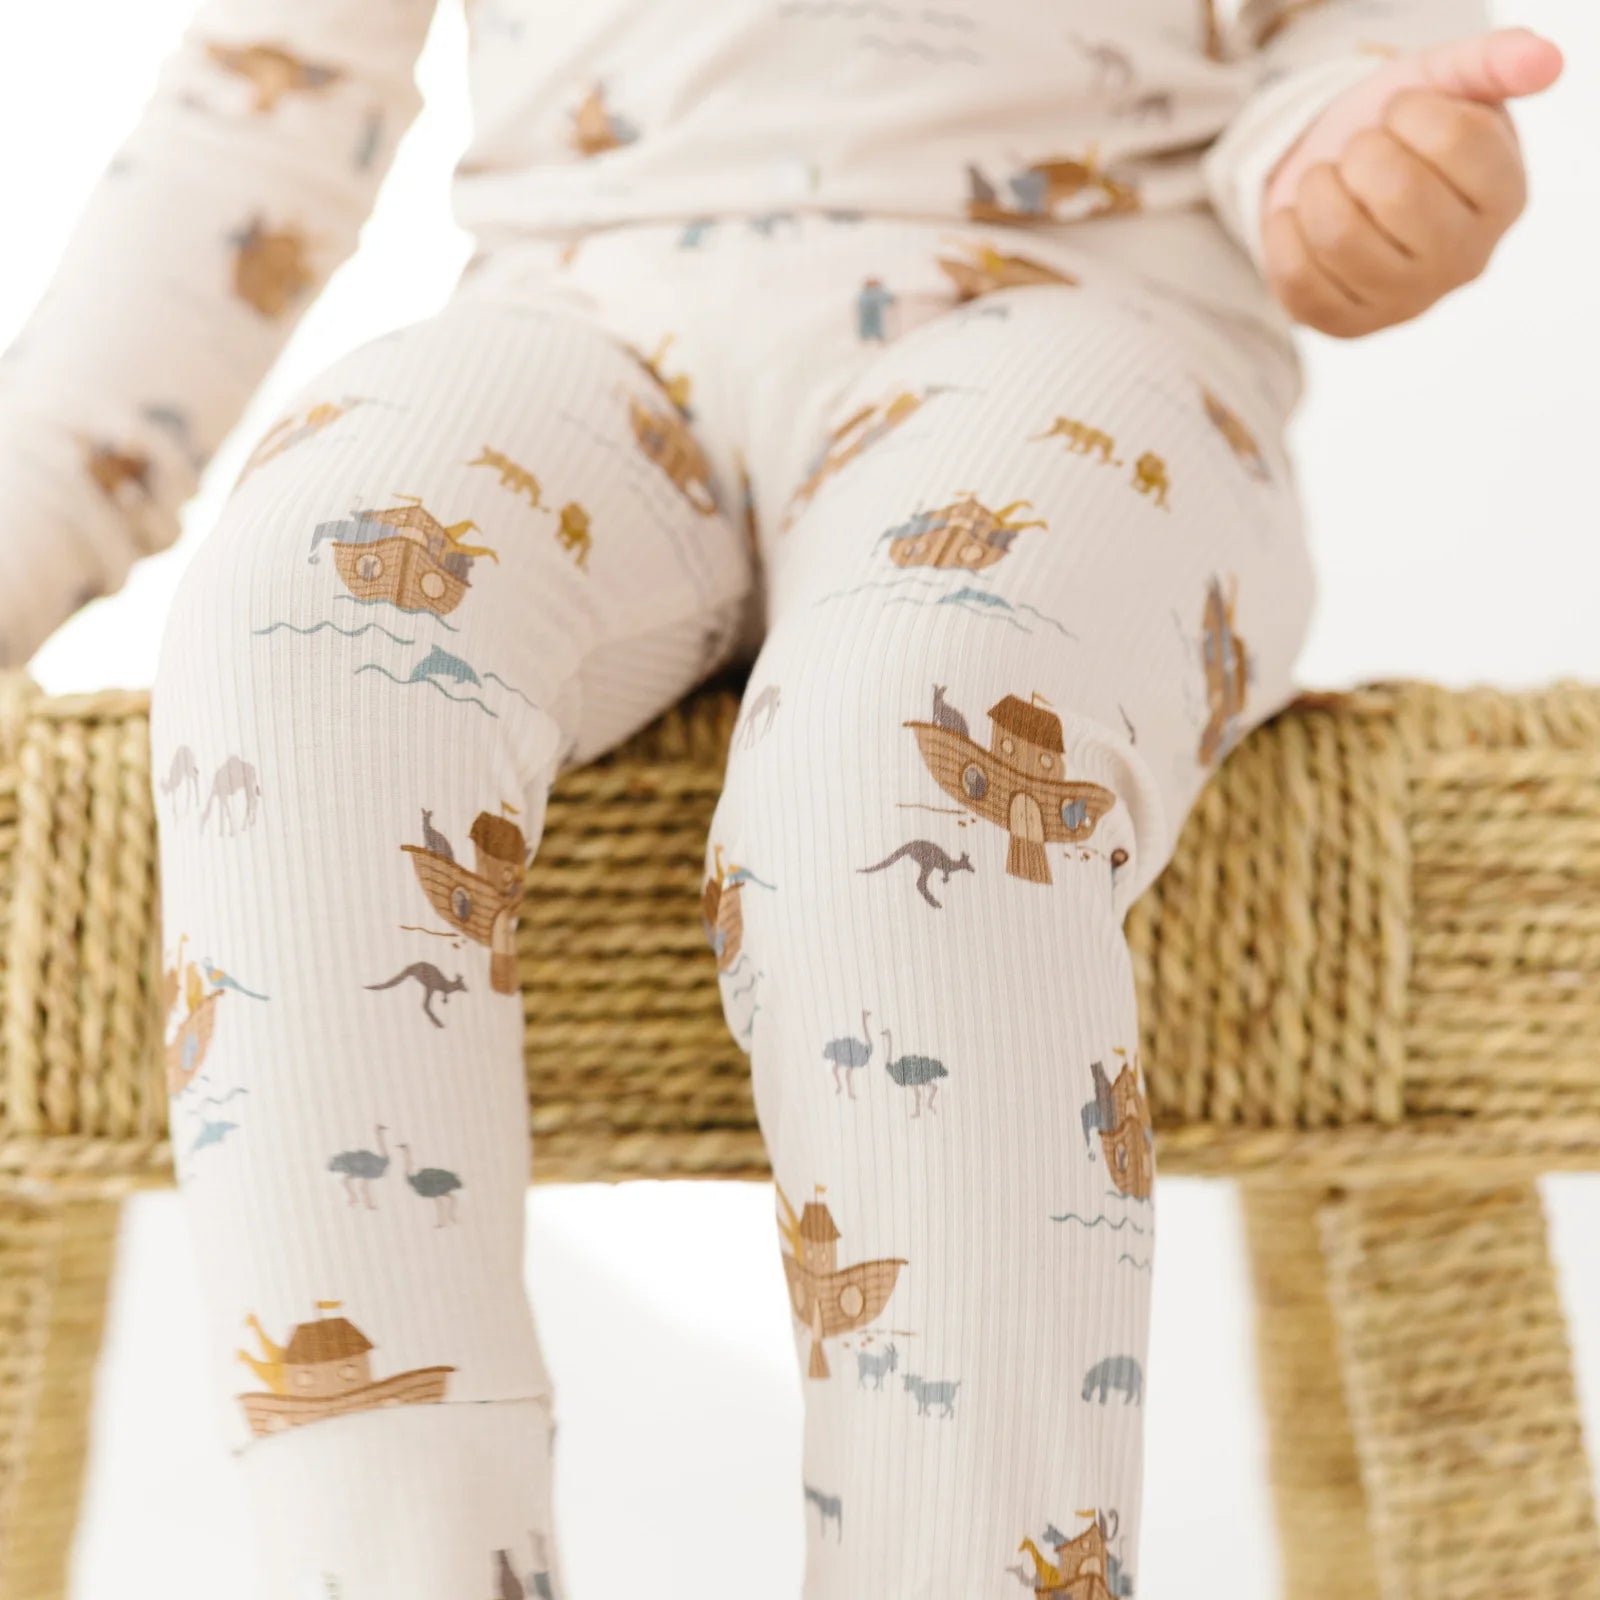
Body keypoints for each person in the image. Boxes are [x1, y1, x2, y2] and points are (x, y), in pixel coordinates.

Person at [0, 2, 1563, 1594]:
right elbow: (262, 103)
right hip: (579, 312)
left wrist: (1353, 143)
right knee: (302, 625)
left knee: (911, 736)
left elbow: (1344, 37)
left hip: (1082, 312)